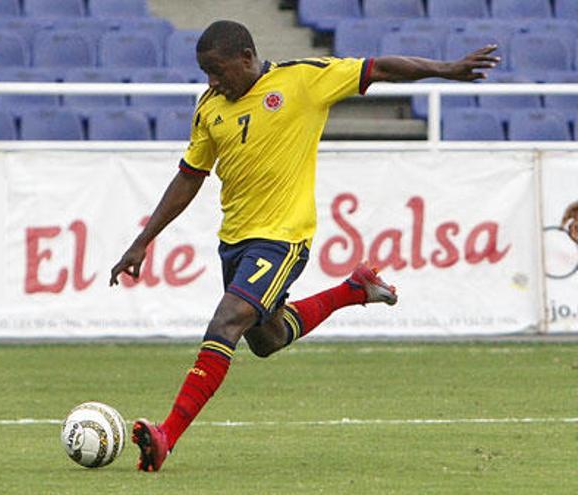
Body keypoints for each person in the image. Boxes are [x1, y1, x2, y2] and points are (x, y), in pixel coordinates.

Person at [109, 20, 500, 472]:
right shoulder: (209, 107)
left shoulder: (302, 79)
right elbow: (189, 177)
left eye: (217, 70)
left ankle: (166, 436)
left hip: (283, 238)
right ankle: (354, 289)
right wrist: (142, 241)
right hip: (234, 241)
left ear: (246, 57)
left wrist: (445, 70)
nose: (212, 81)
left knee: (227, 321)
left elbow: (380, 68)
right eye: (204, 73)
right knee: (267, 339)